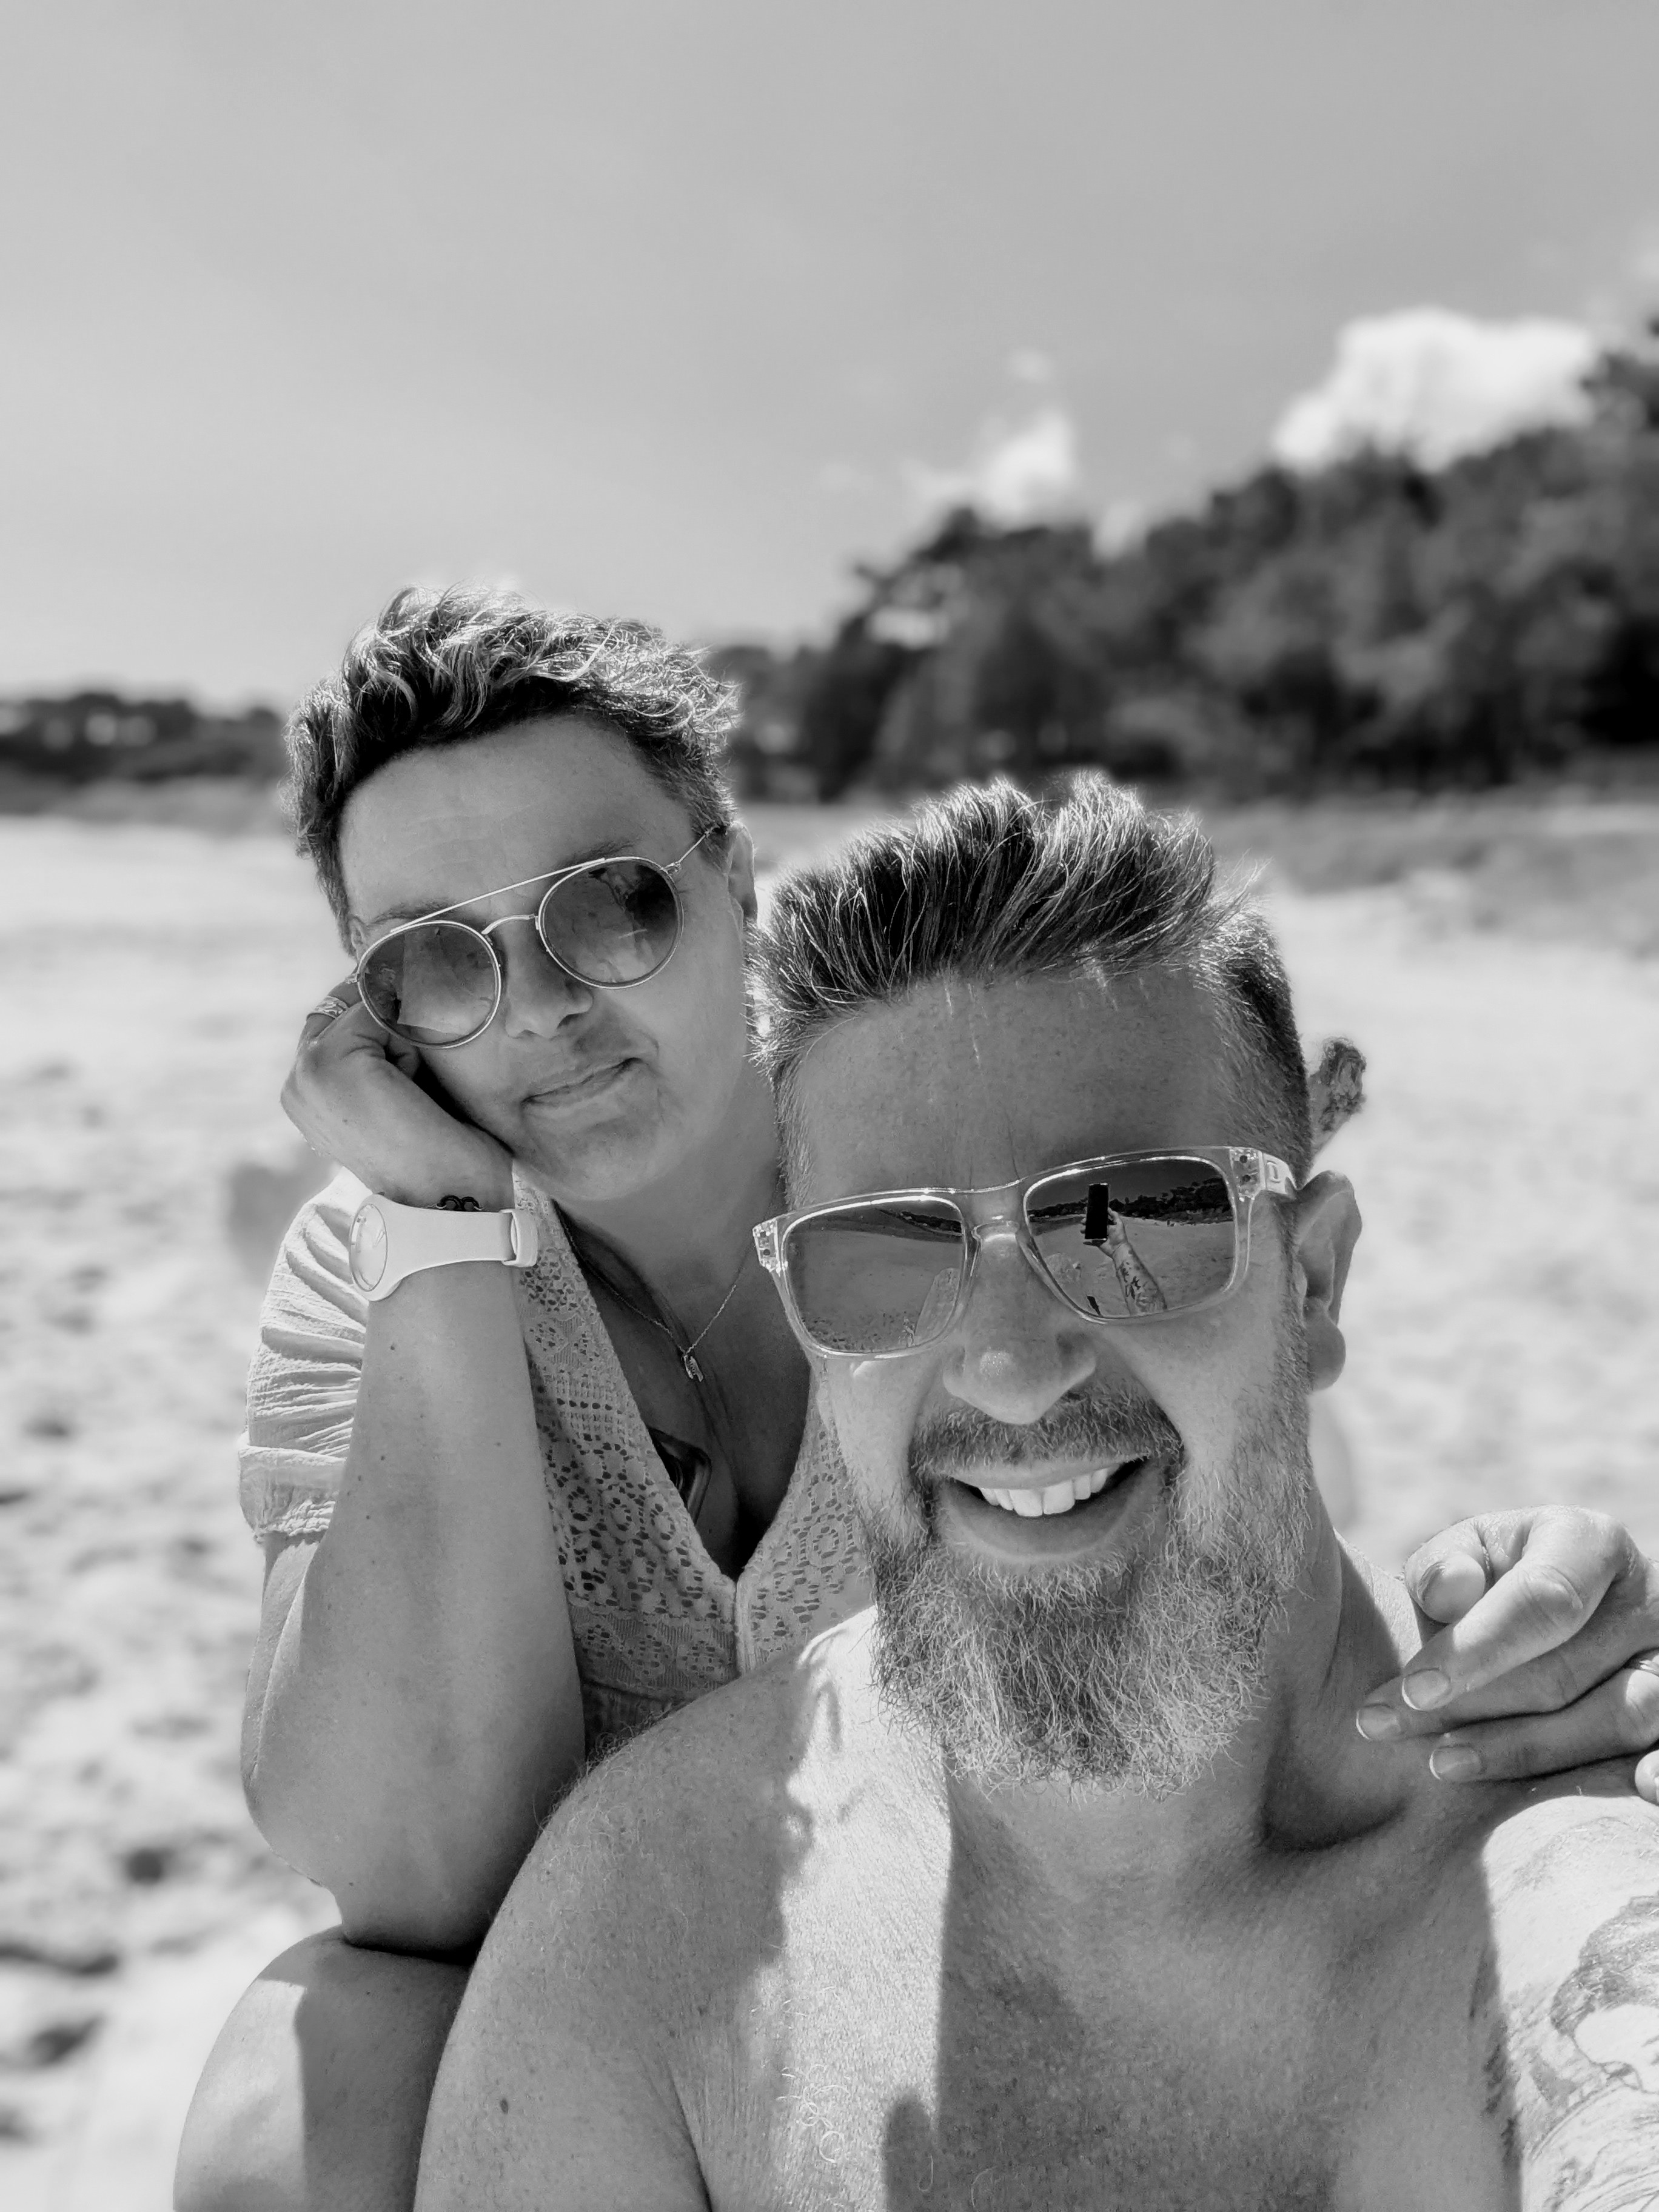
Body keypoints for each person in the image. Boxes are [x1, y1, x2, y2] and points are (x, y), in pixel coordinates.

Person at [178, 599, 1659, 2212]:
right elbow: (405, 1876)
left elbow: (1243, 1501)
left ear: (734, 877)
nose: (535, 1007)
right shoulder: (388, 1265)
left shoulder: (923, 1114)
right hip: (611, 1980)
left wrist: (1511, 1595)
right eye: (431, 965)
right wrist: (447, 1241)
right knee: (304, 2103)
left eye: (606, 905)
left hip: (980, 1905)